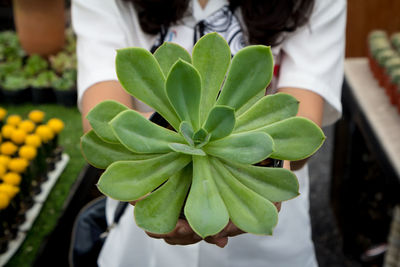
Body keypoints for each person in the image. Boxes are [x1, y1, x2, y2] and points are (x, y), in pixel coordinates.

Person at [71, 0, 346, 266]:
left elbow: (300, 125)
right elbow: (104, 117)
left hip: (262, 235)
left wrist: (277, 166)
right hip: (143, 236)